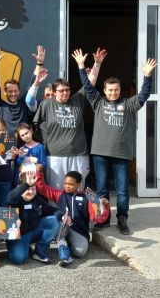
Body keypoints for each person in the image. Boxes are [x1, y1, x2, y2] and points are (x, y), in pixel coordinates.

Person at [73, 49, 157, 234]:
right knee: (102, 190)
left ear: (120, 90)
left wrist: (147, 76)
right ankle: (103, 219)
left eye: (116, 90)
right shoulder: (98, 102)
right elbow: (87, 86)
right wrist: (81, 66)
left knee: (122, 191)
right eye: (110, 90)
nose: (113, 93)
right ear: (104, 90)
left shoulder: (128, 104)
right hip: (101, 154)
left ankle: (122, 219)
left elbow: (143, 95)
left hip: (122, 155)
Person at [33, 48, 107, 189]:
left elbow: (89, 84)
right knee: (56, 190)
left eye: (67, 90)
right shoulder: (46, 104)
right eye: (61, 91)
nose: (65, 93)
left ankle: (76, 211)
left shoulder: (77, 100)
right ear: (54, 92)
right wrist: (45, 143)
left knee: (77, 189)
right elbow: (37, 127)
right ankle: (58, 212)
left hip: (78, 153)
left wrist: (97, 64)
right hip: (55, 155)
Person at [32, 170, 110, 265]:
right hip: (62, 227)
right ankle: (63, 249)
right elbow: (42, 188)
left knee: (79, 252)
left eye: (71, 184)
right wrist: (39, 173)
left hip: (79, 230)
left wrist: (105, 208)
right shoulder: (59, 194)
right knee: (57, 221)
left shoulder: (88, 198)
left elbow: (98, 219)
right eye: (65, 183)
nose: (67, 186)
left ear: (79, 184)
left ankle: (67, 244)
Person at [0, 46, 48, 135]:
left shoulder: (24, 103)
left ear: (19, 91)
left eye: (15, 91)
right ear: (5, 92)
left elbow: (33, 83)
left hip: (23, 145)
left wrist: (39, 63)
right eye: (10, 91)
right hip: (5, 145)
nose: (13, 94)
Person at [6, 178, 62, 265]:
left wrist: (64, 216)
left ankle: (40, 250)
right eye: (28, 189)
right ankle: (22, 247)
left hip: (33, 232)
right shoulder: (16, 200)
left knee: (53, 220)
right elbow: (10, 198)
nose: (31, 192)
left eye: (33, 189)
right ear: (20, 188)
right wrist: (26, 184)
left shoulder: (37, 199)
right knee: (19, 259)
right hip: (18, 236)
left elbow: (52, 210)